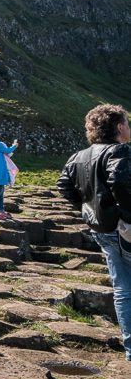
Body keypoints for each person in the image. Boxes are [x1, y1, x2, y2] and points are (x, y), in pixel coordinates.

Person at [57, 104, 131, 361]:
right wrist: (126, 215)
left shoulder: (78, 156)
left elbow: (64, 186)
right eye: (127, 124)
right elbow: (120, 181)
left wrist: (87, 208)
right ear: (120, 127)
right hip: (123, 230)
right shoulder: (119, 150)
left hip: (99, 228)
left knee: (122, 288)